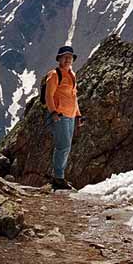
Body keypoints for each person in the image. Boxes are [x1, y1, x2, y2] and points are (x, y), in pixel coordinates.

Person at [45, 44, 83, 190]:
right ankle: (58, 178)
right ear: (59, 59)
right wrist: (53, 112)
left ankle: (59, 177)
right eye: (64, 57)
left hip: (71, 115)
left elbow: (74, 97)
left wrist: (78, 115)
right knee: (63, 146)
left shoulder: (72, 75)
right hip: (59, 115)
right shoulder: (54, 75)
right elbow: (49, 95)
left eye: (70, 57)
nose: (68, 59)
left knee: (66, 147)